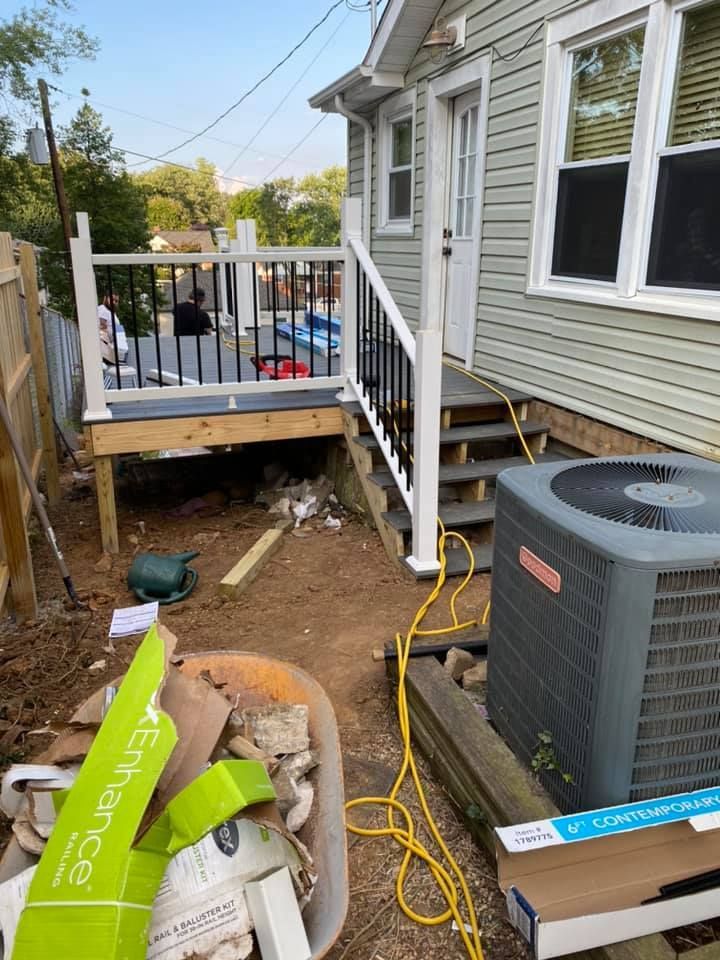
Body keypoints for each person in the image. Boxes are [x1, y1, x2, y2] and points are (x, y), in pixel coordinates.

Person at [97, 291, 128, 362]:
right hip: (106, 350)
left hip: (113, 349)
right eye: (112, 299)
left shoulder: (110, 312)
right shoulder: (103, 309)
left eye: (116, 301)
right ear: (105, 298)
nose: (114, 302)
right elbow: (102, 328)